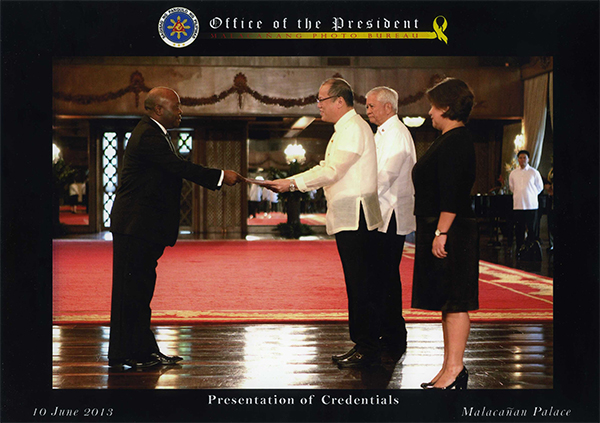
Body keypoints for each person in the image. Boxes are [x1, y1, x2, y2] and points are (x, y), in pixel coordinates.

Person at [108, 87, 244, 368]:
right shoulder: (149, 135)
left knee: (138, 291)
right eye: (176, 106)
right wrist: (220, 176)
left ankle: (140, 351)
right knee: (132, 293)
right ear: (159, 109)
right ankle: (132, 354)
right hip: (135, 226)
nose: (181, 111)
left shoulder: (155, 132)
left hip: (139, 226)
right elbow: (179, 167)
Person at [264, 78, 383, 368]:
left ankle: (368, 348)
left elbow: (332, 172)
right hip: (352, 215)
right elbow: (326, 168)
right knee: (358, 284)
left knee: (360, 285)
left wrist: (293, 184)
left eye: (322, 99)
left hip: (356, 216)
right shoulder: (345, 129)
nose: (318, 105)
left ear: (339, 101)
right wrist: (292, 180)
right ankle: (363, 345)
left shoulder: (352, 128)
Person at [411, 77, 479, 389]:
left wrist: (441, 231)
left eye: (434, 106)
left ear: (447, 107)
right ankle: (449, 368)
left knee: (456, 301)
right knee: (447, 302)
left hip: (452, 230)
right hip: (443, 227)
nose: (430, 112)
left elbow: (453, 193)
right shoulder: (449, 138)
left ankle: (455, 369)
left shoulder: (456, 141)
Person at [365, 86, 417, 359]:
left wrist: (359, 194)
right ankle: (387, 331)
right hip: (381, 212)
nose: (368, 111)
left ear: (388, 107)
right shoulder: (381, 133)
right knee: (382, 275)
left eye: (371, 106)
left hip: (391, 213)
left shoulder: (396, 133)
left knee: (386, 276)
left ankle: (394, 334)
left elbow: (386, 176)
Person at [509, 150, 544, 253]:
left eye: (524, 158)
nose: (522, 160)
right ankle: (520, 250)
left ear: (528, 159)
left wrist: (531, 194)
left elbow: (540, 187)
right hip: (518, 205)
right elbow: (512, 187)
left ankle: (531, 250)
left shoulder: (534, 172)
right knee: (519, 229)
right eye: (520, 158)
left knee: (532, 229)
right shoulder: (513, 173)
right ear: (518, 159)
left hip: (531, 205)